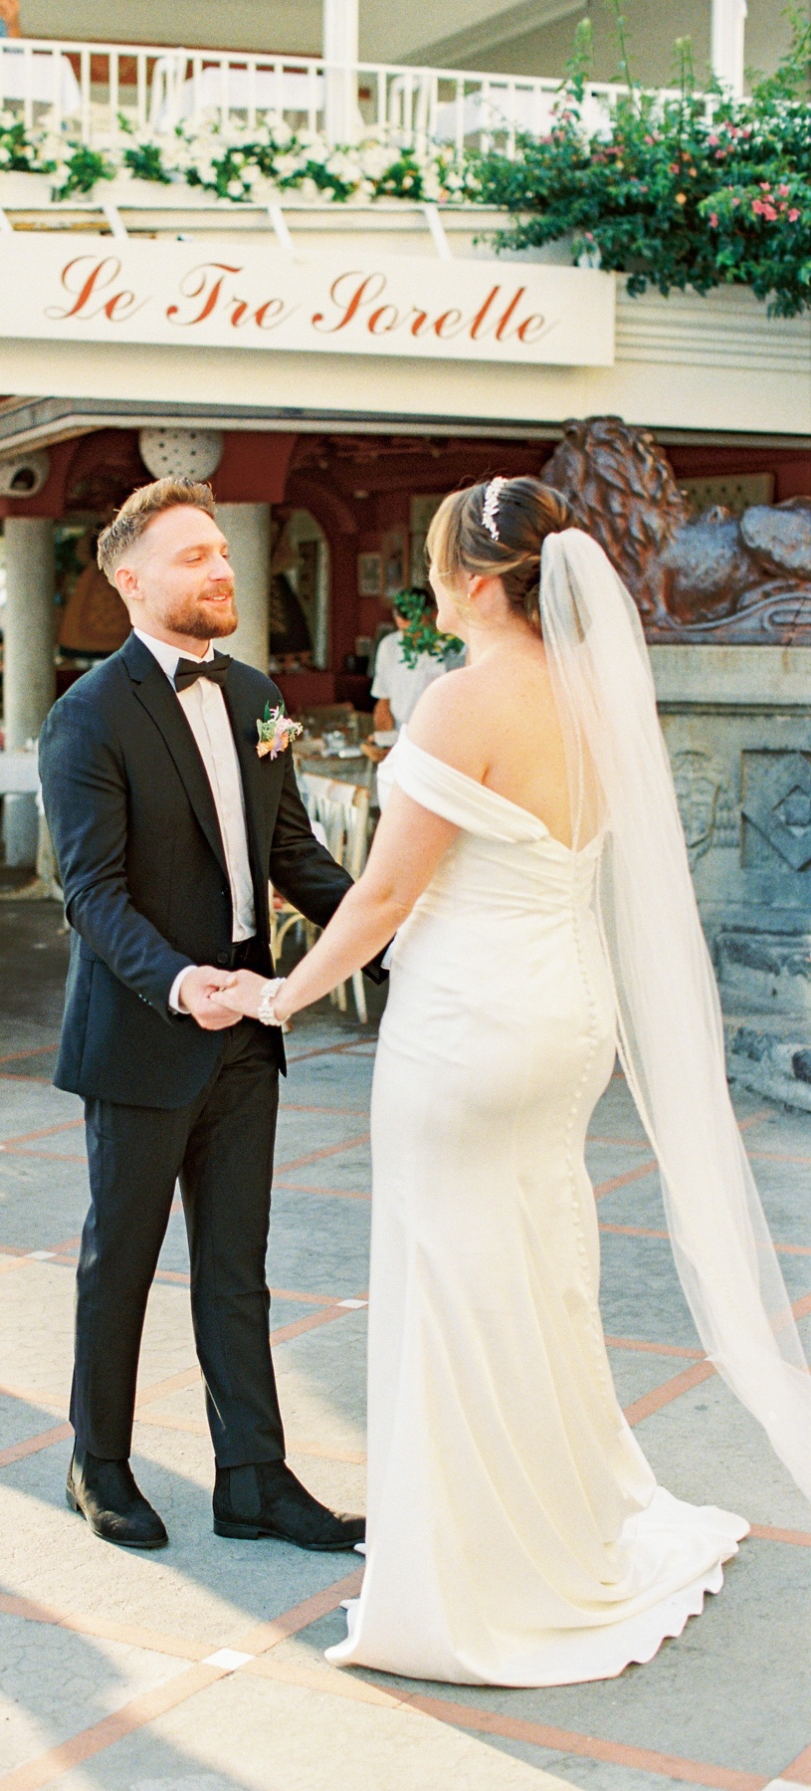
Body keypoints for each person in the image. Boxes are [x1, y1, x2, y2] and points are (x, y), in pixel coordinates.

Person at [215, 475, 811, 1686]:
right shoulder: (593, 697)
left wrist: (278, 994)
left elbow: (383, 898)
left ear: (480, 583)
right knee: (537, 1264)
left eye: (437, 567)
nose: (429, 588)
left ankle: (476, 1574)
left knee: (449, 1276)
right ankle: (565, 1511)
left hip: (471, 1026)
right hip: (566, 1018)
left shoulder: (460, 701)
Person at [39, 477, 381, 1554]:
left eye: (223, 553)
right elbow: (90, 893)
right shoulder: (86, 715)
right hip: (145, 1030)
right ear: (131, 581)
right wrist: (180, 983)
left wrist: (394, 935)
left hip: (252, 1027)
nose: (222, 569)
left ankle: (255, 1480)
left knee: (237, 1267)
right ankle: (97, 1467)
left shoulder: (256, 698)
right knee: (123, 1264)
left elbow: (294, 858)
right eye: (193, 556)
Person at [370, 590, 449, 733]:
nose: (409, 637)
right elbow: (383, 700)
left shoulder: (451, 648)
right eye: (404, 630)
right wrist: (384, 739)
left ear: (433, 615)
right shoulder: (389, 646)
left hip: (439, 731)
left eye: (415, 630)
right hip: (401, 730)